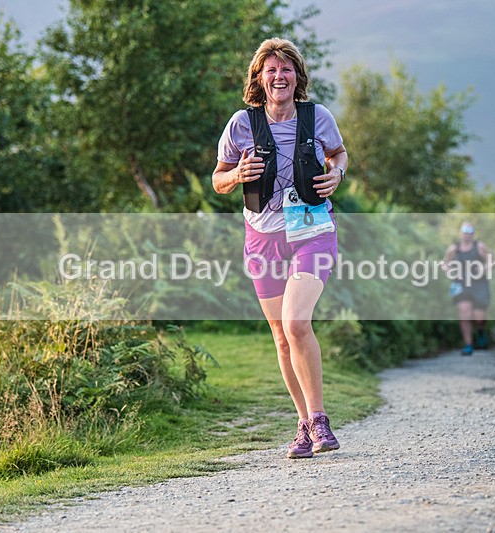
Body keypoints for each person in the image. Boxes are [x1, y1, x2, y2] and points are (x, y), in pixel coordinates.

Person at [212, 38, 348, 459]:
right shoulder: (241, 124)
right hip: (262, 239)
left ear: (297, 77)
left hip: (311, 230)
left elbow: (339, 154)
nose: (278, 75)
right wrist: (236, 175)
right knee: (280, 336)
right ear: (259, 78)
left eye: (286, 68)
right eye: (270, 69)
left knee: (295, 322)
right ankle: (304, 424)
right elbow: (217, 179)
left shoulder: (317, 117)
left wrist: (336, 175)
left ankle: (321, 419)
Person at [443, 222, 492, 356]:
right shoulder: (454, 249)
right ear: (460, 233)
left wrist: (484, 269)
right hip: (461, 283)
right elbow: (445, 264)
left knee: (478, 317)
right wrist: (448, 272)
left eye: (469, 232)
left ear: (473, 233)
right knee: (464, 312)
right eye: (464, 232)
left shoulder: (479, 247)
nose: (466, 234)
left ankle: (481, 331)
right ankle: (468, 344)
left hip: (479, 284)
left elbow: (492, 261)